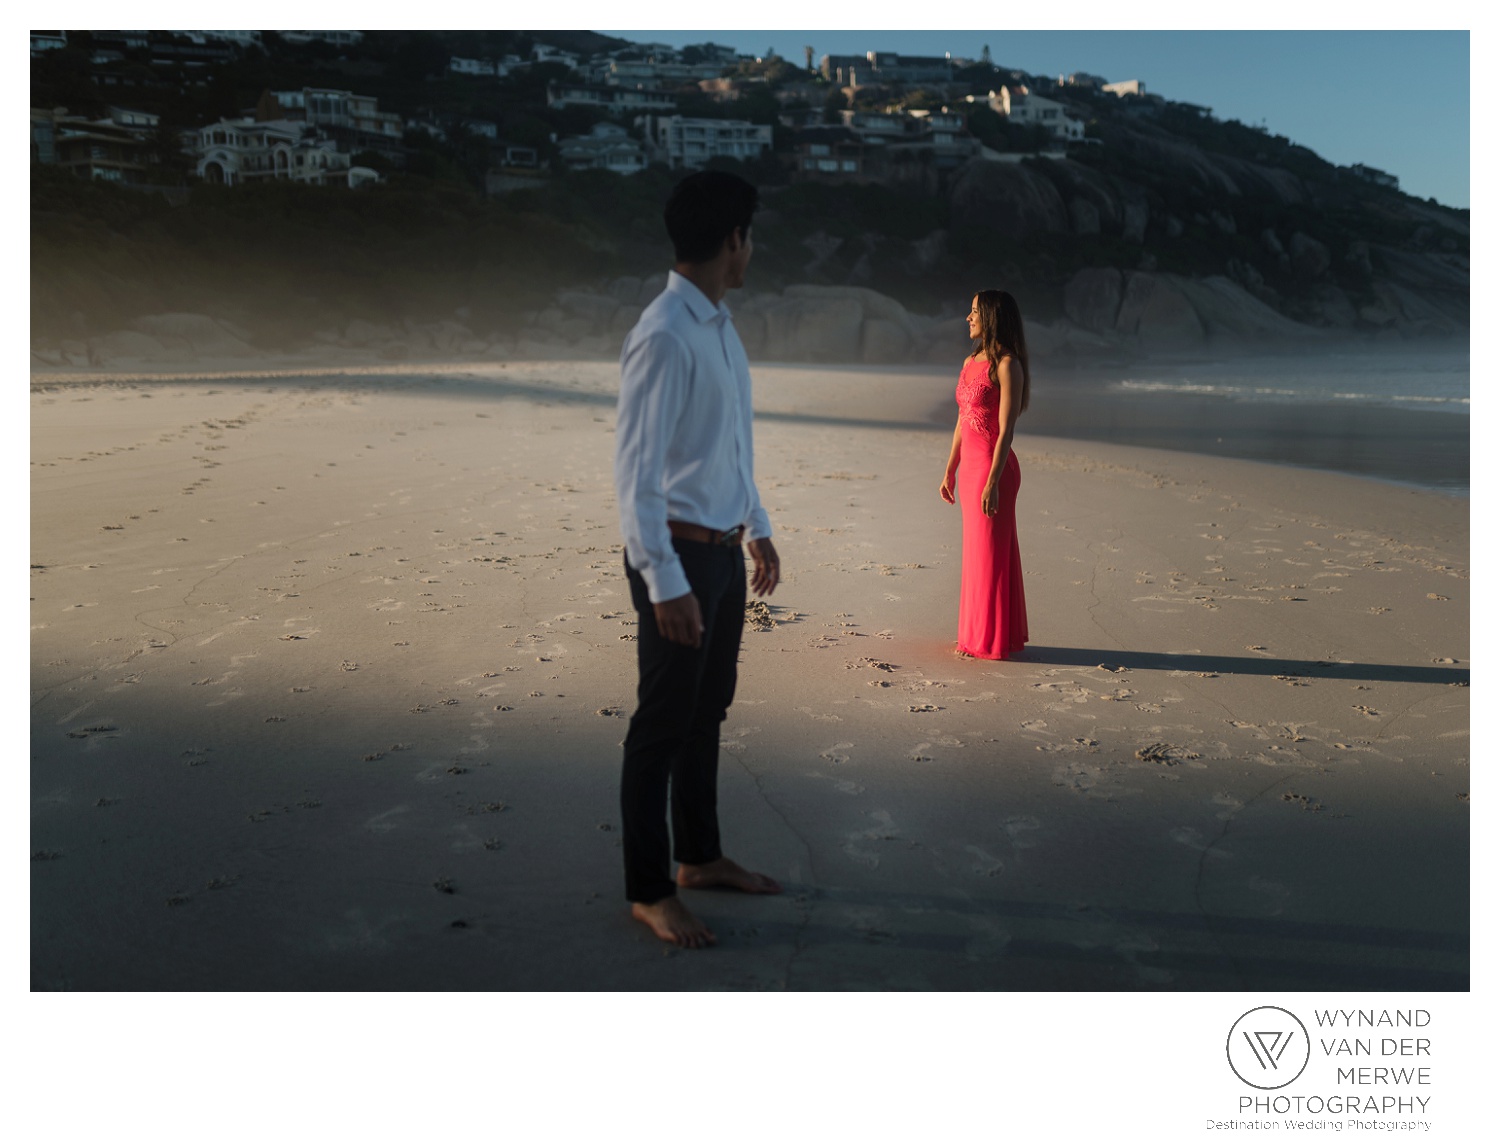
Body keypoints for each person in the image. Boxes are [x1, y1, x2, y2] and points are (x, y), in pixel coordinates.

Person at [613, 170, 784, 949]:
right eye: (751, 237)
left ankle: (701, 856)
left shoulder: (717, 324)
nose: (753, 250)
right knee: (662, 725)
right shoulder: (665, 333)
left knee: (706, 712)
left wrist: (758, 524)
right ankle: (649, 890)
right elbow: (637, 474)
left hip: (719, 548)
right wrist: (663, 582)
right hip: (677, 557)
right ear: (733, 240)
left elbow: (730, 445)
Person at [939, 289, 1031, 660]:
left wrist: (992, 482)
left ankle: (992, 641)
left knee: (992, 555)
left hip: (996, 471)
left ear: (991, 317)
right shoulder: (969, 361)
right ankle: (978, 635)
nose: (968, 317)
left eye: (974, 311)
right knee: (977, 555)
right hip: (972, 467)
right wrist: (950, 468)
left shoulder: (1008, 365)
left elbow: (1006, 430)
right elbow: (963, 419)